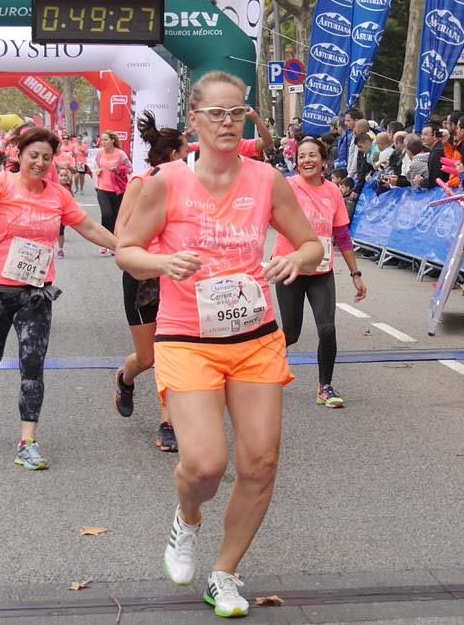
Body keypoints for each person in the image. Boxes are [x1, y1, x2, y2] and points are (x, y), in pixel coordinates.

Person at [116, 71, 323, 619]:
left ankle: (224, 573)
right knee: (205, 464)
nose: (228, 122)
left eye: (237, 112)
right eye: (217, 113)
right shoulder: (165, 182)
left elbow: (310, 242)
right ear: (196, 122)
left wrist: (292, 260)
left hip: (255, 337)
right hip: (188, 338)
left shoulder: (266, 180)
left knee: (260, 462)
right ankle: (188, 518)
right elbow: (127, 250)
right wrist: (163, 263)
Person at [0, 128, 118, 470]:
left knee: (33, 364)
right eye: (34, 156)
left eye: (46, 157)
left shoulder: (58, 195)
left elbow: (88, 228)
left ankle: (27, 442)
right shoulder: (0, 183)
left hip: (35, 293)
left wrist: (125, 246)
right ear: (20, 156)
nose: (40, 162)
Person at [112, 111, 188, 452]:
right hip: (143, 278)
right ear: (173, 157)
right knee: (147, 357)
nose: (188, 161)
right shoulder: (141, 183)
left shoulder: (190, 186)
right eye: (185, 155)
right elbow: (120, 235)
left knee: (172, 351)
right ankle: (124, 378)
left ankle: (168, 422)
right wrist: (152, 253)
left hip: (178, 278)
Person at [274, 137, 368, 408]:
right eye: (302, 156)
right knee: (290, 333)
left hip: (321, 270)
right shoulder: (287, 186)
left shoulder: (332, 192)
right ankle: (264, 367)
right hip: (289, 268)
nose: (306, 160)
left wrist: (356, 274)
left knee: (327, 329)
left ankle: (325, 386)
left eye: (312, 155)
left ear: (324, 161)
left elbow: (341, 235)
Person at [93, 131, 132, 253]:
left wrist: (118, 170)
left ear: (112, 141)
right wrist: (97, 170)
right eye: (102, 140)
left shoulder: (120, 154)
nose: (103, 142)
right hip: (102, 188)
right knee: (106, 214)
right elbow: (94, 165)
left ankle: (113, 244)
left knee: (115, 216)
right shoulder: (99, 153)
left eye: (105, 140)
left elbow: (130, 169)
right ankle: (104, 242)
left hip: (117, 190)